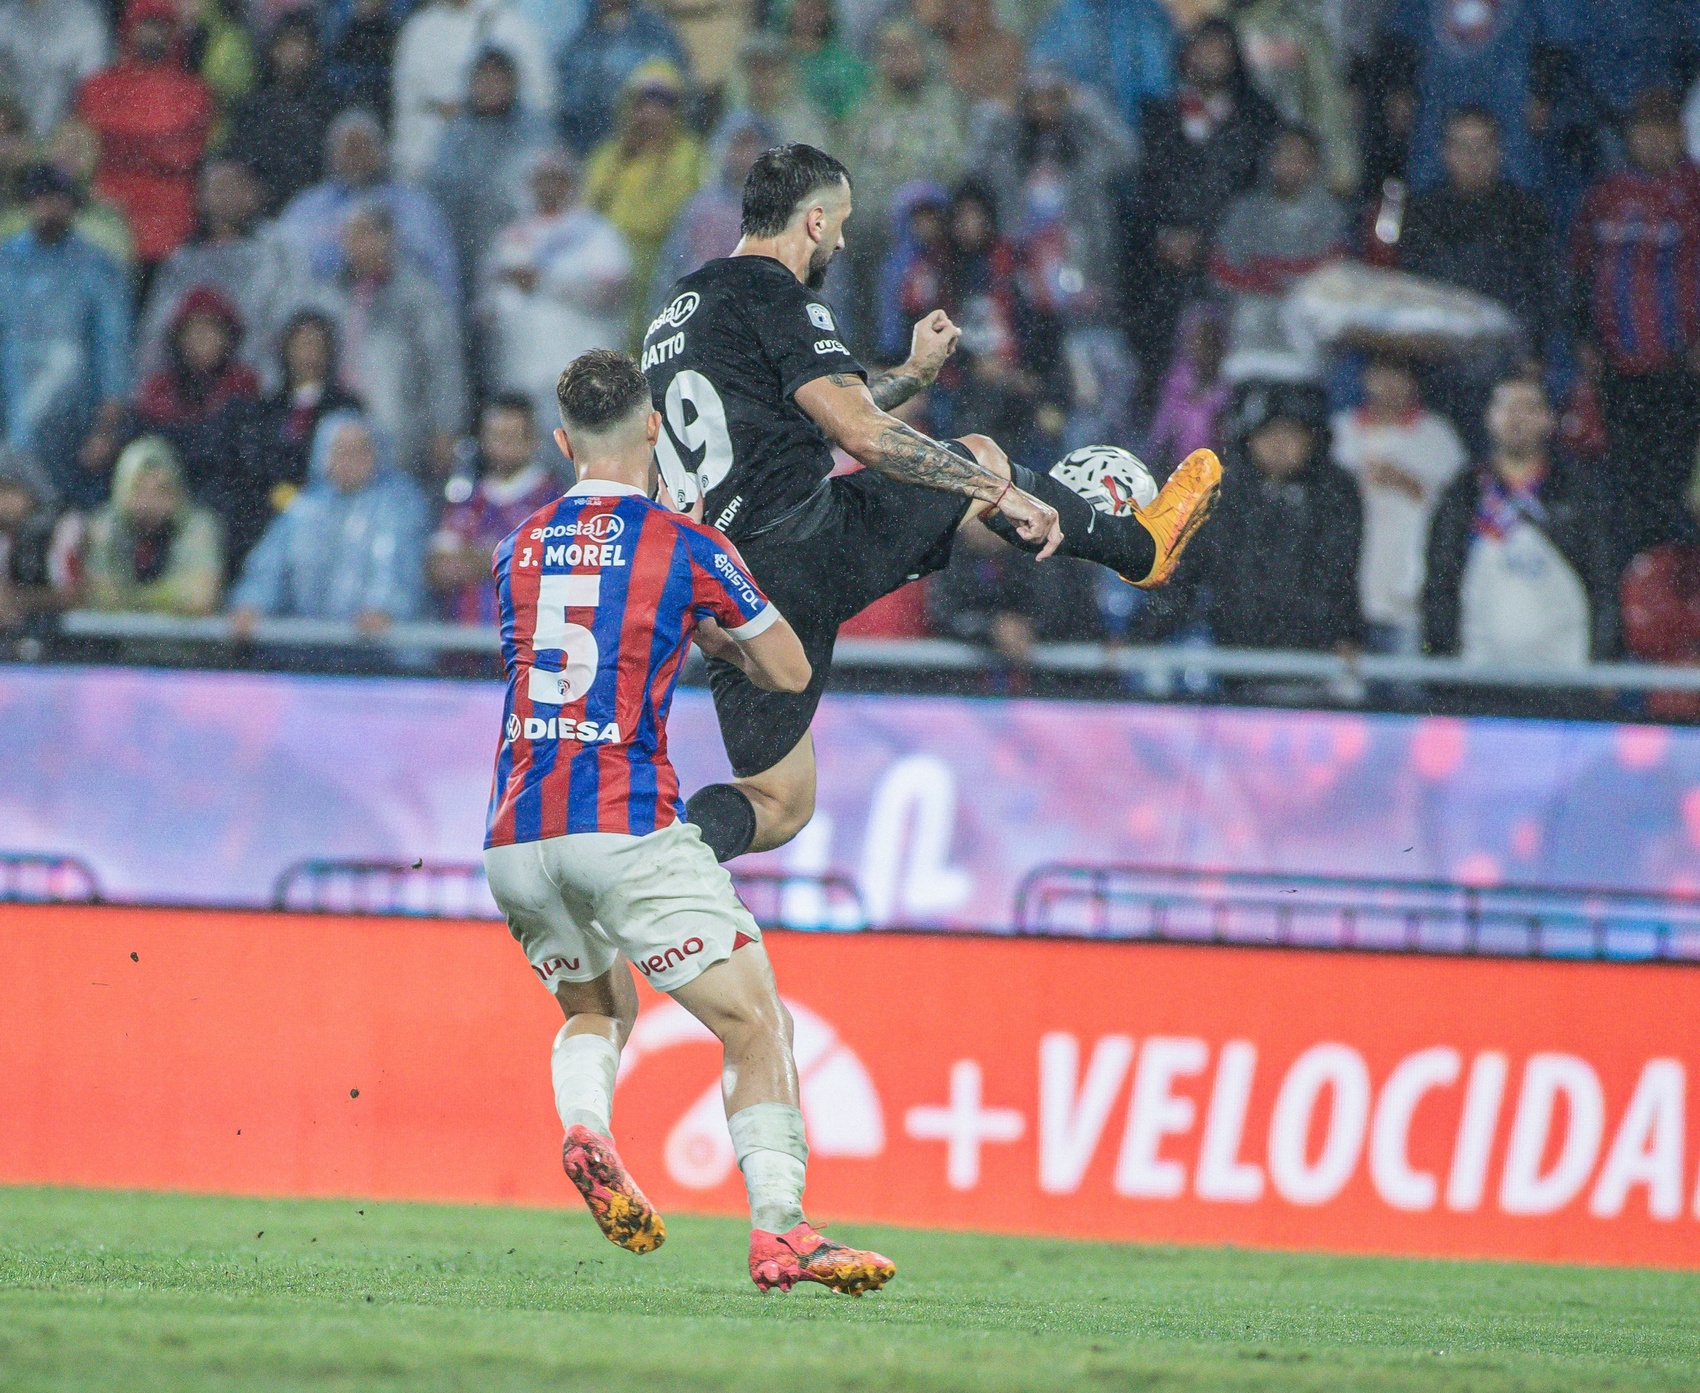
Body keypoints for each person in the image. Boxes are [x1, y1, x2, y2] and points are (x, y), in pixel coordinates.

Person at [643, 144, 1220, 860]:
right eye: (841, 223)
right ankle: (1140, 547)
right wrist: (997, 491)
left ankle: (661, 860)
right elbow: (858, 432)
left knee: (778, 802)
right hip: (802, 546)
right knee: (979, 455)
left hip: (731, 587)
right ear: (815, 220)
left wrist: (914, 374)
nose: (843, 243)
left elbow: (801, 421)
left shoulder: (677, 314)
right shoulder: (778, 296)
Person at [481, 347, 896, 1296]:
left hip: (516, 834)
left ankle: (587, 1128)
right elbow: (788, 670)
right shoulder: (687, 545)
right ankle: (782, 1230)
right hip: (622, 821)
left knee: (598, 1008)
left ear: (563, 443)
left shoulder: (516, 549)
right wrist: (710, 629)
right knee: (755, 1020)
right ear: (654, 429)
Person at [1136, 379, 1361, 653]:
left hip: (1314, 655)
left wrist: (1346, 636)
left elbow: (1338, 574)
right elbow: (1184, 577)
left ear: (1312, 440)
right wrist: (1139, 637)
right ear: (1248, 439)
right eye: (1267, 434)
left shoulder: (1335, 493)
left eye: (1290, 434)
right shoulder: (1224, 496)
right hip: (1236, 652)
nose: (1278, 445)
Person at [1569, 89, 1700, 559]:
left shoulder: (1694, 192)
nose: (1651, 139)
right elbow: (1579, 272)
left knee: (1674, 493)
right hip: (1618, 376)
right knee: (1625, 496)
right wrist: (1582, 340)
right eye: (1642, 129)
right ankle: (1633, 588)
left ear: (1680, 133)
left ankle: (1676, 586)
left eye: (1661, 129)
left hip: (1680, 374)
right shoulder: (1605, 195)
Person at [1422, 373, 1613, 669]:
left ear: (1548, 419)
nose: (1517, 418)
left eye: (1529, 408)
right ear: (1489, 416)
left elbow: (1603, 582)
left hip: (1564, 673)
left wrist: (1602, 661)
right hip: (1478, 673)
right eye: (1507, 407)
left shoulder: (1577, 493)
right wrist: (1444, 659)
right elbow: (1440, 582)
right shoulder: (1464, 493)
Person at [0, 164, 132, 506]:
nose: (51, 207)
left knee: (67, 513)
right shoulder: (6, 262)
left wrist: (106, 428)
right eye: (43, 198)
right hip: (13, 414)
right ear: (29, 202)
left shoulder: (97, 267)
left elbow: (113, 349)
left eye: (60, 199)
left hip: (76, 421)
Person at [229, 408, 428, 632]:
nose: (350, 460)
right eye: (341, 451)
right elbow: (269, 564)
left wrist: (383, 608)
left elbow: (400, 568)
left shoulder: (399, 503)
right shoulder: (305, 506)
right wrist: (251, 603)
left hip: (376, 646)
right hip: (308, 643)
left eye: (360, 450)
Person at [479, 149, 632, 434]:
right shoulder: (511, 235)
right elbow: (487, 304)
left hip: (577, 373)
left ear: (572, 184)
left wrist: (546, 282)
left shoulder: (596, 233)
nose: (548, 187)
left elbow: (612, 294)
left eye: (557, 179)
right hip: (520, 375)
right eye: (541, 179)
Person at [136, 160, 322, 392]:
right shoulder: (182, 260)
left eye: (234, 186)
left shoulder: (278, 252)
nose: (225, 196)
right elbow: (156, 333)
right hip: (190, 390)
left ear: (253, 193)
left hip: (263, 386)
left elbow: (292, 316)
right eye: (217, 188)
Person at [1330, 354, 1465, 654]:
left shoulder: (1438, 436)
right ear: (1365, 378)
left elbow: (1456, 509)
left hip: (1409, 600)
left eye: (1398, 375)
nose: (1389, 384)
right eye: (1381, 374)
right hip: (1352, 598)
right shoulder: (1340, 432)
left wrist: (1409, 483)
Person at [76, 0, 214, 271]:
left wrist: (118, 142)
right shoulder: (98, 87)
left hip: (169, 214)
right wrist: (155, 143)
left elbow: (182, 155)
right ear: (128, 29)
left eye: (162, 27)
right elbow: (87, 148)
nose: (153, 35)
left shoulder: (195, 92)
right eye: (145, 26)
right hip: (108, 205)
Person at [276, 110, 460, 315]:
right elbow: (284, 265)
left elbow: (440, 271)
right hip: (323, 316)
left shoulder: (415, 205)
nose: (356, 156)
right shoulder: (307, 207)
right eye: (348, 147)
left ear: (381, 150)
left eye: (363, 146)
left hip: (400, 314)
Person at [331, 201, 466, 478]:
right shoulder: (333, 293)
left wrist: (445, 428)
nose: (356, 243)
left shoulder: (418, 293)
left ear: (388, 237)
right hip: (346, 418)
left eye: (365, 233)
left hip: (403, 425)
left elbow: (443, 366)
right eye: (350, 235)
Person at [1209, 125, 1349, 382]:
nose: (1290, 165)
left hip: (1307, 329)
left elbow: (1333, 274)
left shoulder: (1332, 216)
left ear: (1314, 165)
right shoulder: (1244, 212)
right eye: (1284, 155)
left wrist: (1277, 278)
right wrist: (1271, 282)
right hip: (1249, 324)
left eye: (1300, 158)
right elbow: (1223, 271)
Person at [584, 63, 704, 347]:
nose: (651, 113)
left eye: (662, 104)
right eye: (643, 103)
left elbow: (690, 211)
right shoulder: (609, 155)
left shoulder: (691, 155)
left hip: (667, 260)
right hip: (615, 263)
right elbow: (590, 210)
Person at [226, 309, 360, 563]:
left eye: (317, 345)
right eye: (301, 345)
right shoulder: (265, 408)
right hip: (268, 516)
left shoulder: (346, 408)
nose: (309, 355)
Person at [130, 283, 261, 529]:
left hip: (220, 508)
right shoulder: (159, 389)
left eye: (211, 330)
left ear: (228, 338)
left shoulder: (243, 387)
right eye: (193, 330)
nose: (201, 339)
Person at [428, 47, 558, 286]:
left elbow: (536, 190)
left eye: (498, 77)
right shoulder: (456, 130)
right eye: (483, 77)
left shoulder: (535, 130)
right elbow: (438, 184)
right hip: (460, 241)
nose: (490, 85)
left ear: (513, 82)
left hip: (517, 245)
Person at [429, 393, 562, 623]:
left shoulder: (552, 500)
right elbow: (440, 569)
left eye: (511, 436)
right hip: (463, 640)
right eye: (495, 435)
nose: (502, 445)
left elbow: (544, 569)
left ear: (532, 439)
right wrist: (504, 558)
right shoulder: (466, 499)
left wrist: (472, 557)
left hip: (524, 639)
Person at [389, 0, 555, 184]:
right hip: (428, 157)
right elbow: (406, 101)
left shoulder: (511, 24)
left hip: (502, 154)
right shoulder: (420, 28)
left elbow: (540, 98)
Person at [645, 114, 775, 323]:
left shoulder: (783, 211)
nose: (743, 154)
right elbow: (671, 270)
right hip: (700, 319)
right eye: (737, 144)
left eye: (751, 144)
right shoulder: (700, 207)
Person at [80, 434, 224, 615]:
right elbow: (102, 597)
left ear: (178, 491)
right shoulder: (105, 526)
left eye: (161, 490)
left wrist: (133, 598)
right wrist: (167, 597)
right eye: (139, 490)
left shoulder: (198, 526)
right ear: (122, 491)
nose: (149, 503)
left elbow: (200, 599)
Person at [226, 13, 341, 214]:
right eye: (286, 43)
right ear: (274, 50)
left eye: (300, 43)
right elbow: (241, 160)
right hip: (262, 209)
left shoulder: (330, 104)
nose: (293, 52)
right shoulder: (255, 107)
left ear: (314, 52)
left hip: (317, 209)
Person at [555, 0, 688, 156]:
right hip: (587, 149)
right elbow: (567, 100)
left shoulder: (653, 33)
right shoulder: (582, 35)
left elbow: (669, 89)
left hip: (647, 149)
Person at [1028, 0, 1175, 137]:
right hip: (1087, 130)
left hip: (1145, 123)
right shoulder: (1067, 14)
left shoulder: (1144, 11)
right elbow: (1043, 67)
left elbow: (1159, 79)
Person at [0, 0, 109, 140]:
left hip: (66, 136)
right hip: (13, 134)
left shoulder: (85, 20)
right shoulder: (6, 15)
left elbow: (94, 89)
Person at [0, 444, 78, 633]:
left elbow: (74, 595)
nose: (4, 502)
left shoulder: (63, 526)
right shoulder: (6, 532)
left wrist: (17, 600)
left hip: (65, 633)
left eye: (10, 490)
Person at [726, 32, 831, 154]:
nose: (761, 79)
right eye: (755, 70)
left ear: (787, 74)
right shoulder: (735, 120)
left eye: (769, 70)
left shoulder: (804, 123)